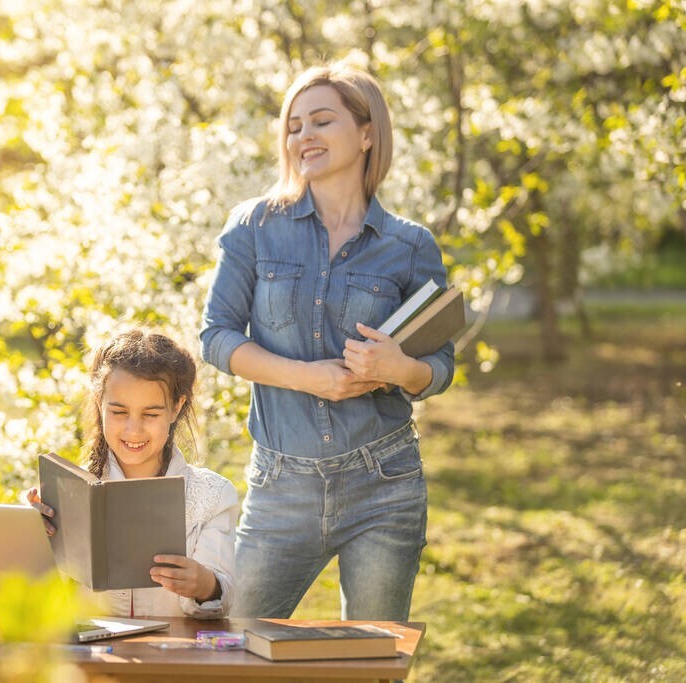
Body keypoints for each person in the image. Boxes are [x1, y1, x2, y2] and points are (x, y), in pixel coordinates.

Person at [199, 61, 455, 621]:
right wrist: (306, 376)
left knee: (370, 662)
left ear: (367, 134)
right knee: (232, 649)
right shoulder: (255, 226)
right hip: (280, 486)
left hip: (385, 483)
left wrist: (398, 367)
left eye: (321, 121)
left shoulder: (409, 245)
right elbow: (215, 337)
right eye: (293, 126)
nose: (302, 136)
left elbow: (439, 365)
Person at [28, 329, 238, 618]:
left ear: (176, 408)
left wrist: (205, 587)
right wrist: (32, 540)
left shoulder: (212, 495)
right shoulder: (62, 492)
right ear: (99, 402)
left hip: (172, 656)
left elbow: (219, 605)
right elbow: (39, 604)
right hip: (91, 658)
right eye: (118, 412)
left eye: (150, 414)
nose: (133, 430)